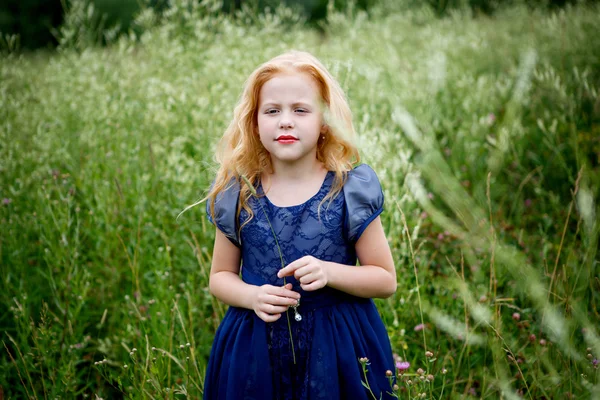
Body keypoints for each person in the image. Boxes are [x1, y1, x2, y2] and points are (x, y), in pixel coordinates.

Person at [203, 50, 397, 400]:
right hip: (255, 351)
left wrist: (330, 272)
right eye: (272, 111)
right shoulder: (239, 193)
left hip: (338, 352)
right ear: (255, 122)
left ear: (325, 121)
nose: (286, 121)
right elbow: (219, 278)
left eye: (301, 110)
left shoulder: (350, 190)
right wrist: (252, 295)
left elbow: (384, 280)